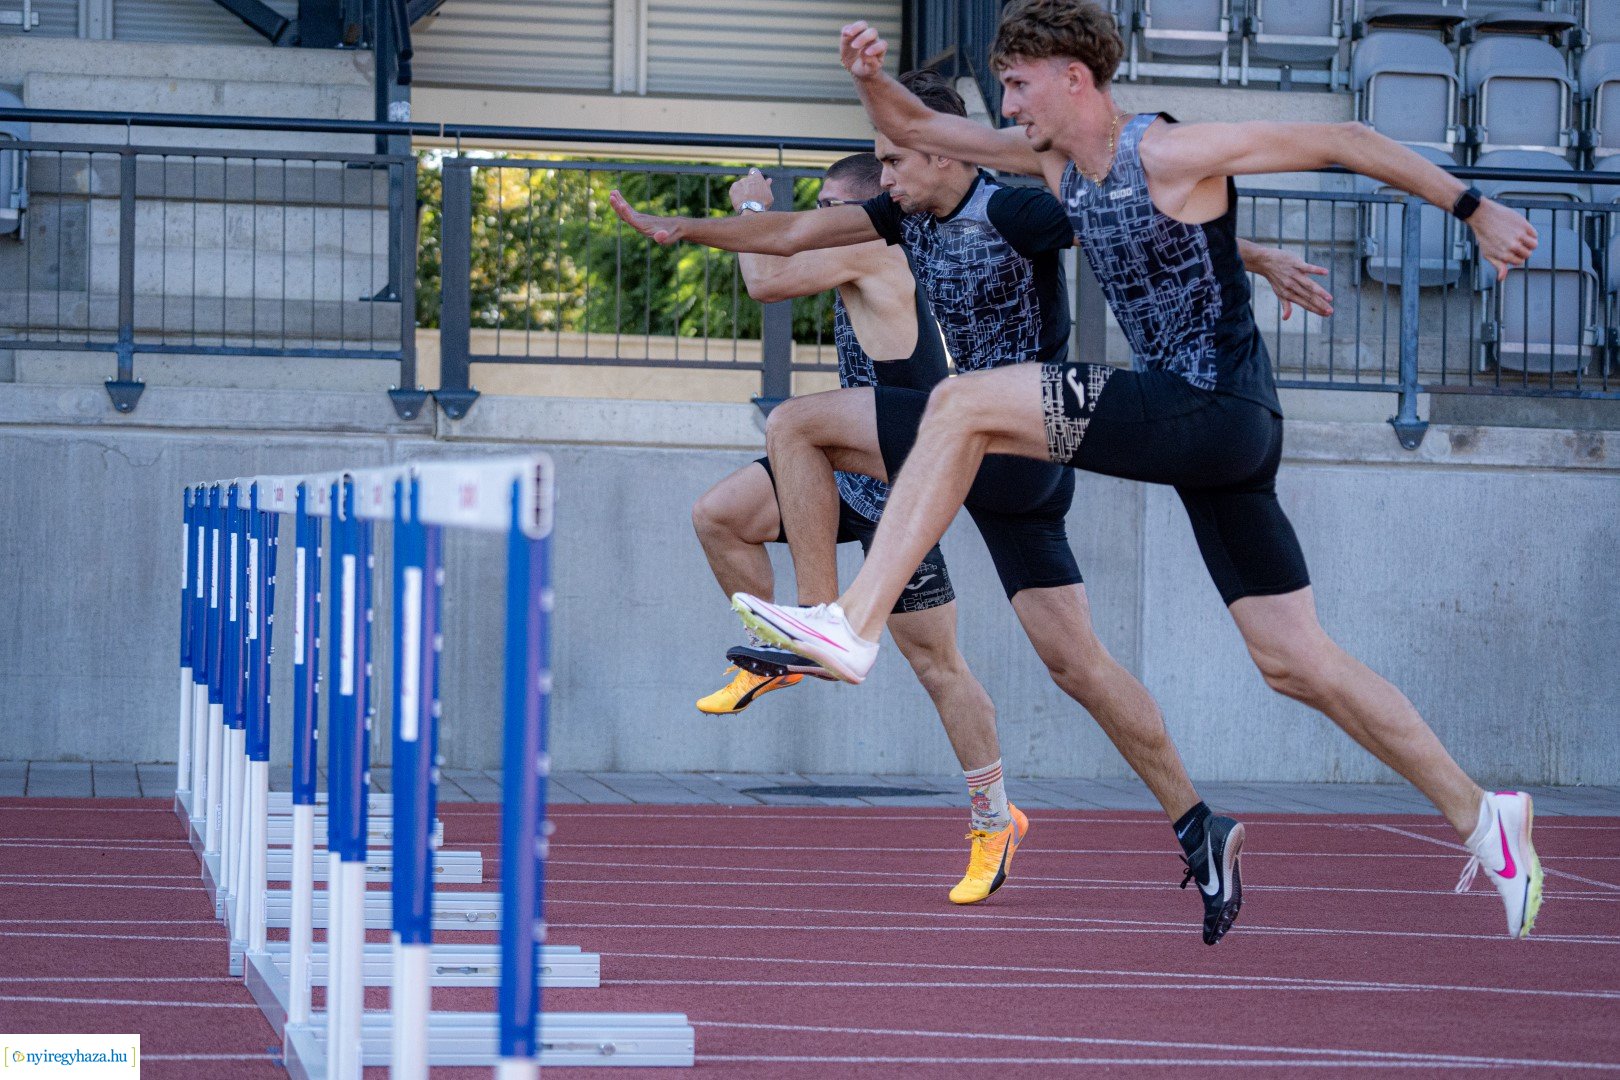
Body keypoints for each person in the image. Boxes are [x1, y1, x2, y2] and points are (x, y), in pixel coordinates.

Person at [731, 0, 1544, 939]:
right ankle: (1486, 818)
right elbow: (917, 129)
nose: (1009, 103)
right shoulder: (1046, 163)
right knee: (1295, 661)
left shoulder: (1166, 152)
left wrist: (1476, 209)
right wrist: (868, 73)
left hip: (1214, 409)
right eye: (1002, 87)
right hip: (1210, 442)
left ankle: (852, 625)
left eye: (1021, 84)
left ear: (1076, 77)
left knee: (962, 404)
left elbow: (1346, 136)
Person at [612, 71, 1335, 943]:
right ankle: (1198, 825)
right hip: (1005, 464)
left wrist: (1252, 254)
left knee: (799, 424)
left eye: (891, 160)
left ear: (939, 148)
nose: (884, 180)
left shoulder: (1015, 211)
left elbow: (1136, 226)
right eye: (877, 162)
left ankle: (819, 621)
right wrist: (682, 225)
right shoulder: (905, 215)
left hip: (1007, 437)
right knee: (1079, 666)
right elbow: (793, 229)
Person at [691, 153, 1023, 906]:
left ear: (867, 207)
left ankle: (995, 820)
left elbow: (766, 278)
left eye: (829, 207)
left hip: (903, 491)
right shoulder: (858, 250)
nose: (812, 222)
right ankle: (790, 641)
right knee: (721, 515)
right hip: (840, 467)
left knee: (941, 669)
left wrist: (750, 209)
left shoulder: (877, 243)